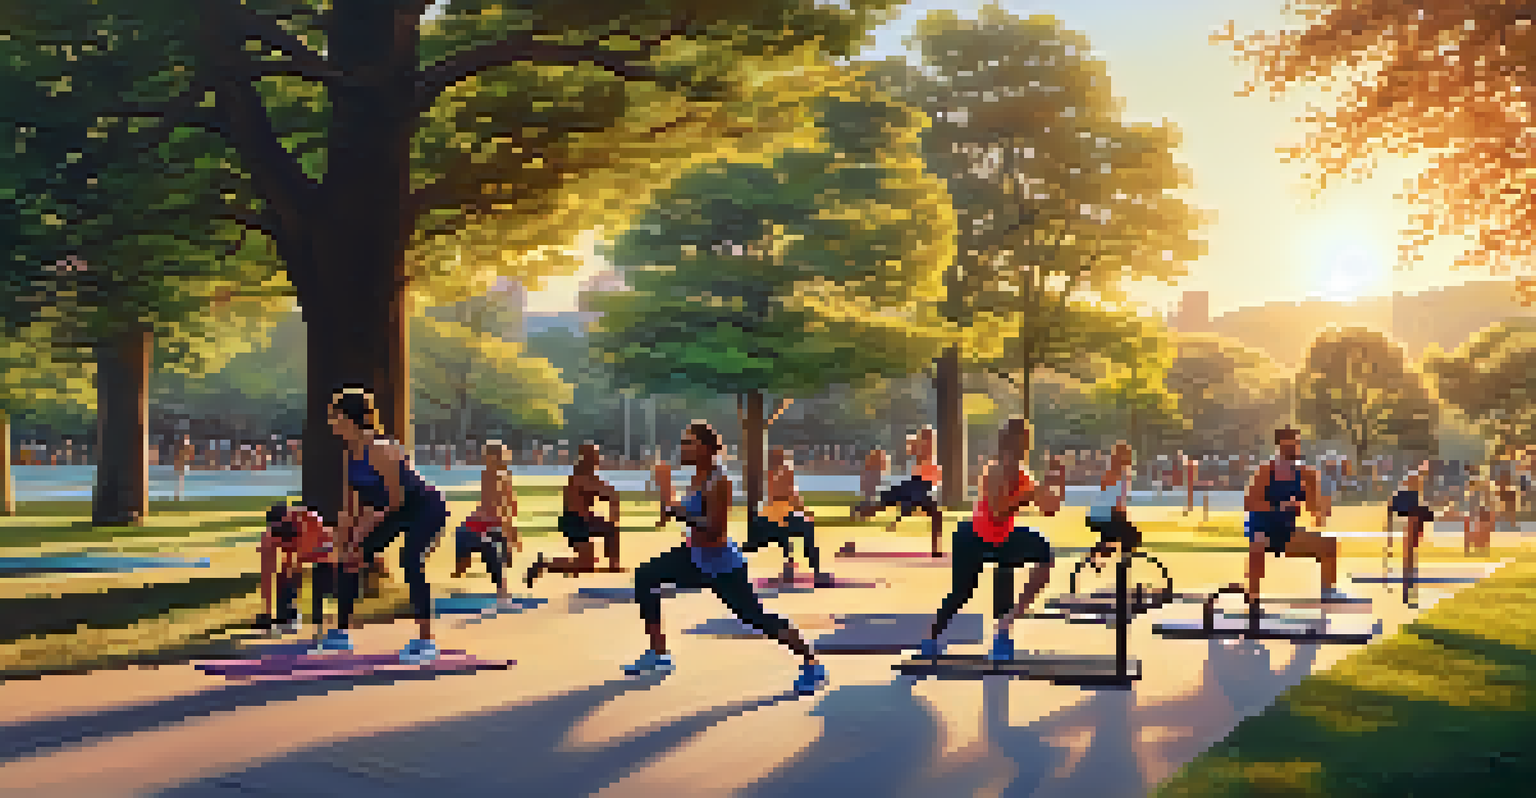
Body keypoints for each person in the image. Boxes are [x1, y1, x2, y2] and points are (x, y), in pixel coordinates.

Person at [623, 421, 827, 696]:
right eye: (683, 442)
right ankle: (659, 654)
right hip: (694, 556)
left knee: (755, 617)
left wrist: (679, 512)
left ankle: (812, 664)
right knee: (645, 575)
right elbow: (675, 511)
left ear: (706, 449)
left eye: (689, 443)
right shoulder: (697, 477)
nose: (682, 448)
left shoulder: (719, 482)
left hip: (720, 564)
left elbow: (715, 532)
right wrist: (666, 488)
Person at [318, 386, 450, 664]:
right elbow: (350, 507)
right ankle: (341, 633)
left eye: (335, 416)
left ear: (348, 417)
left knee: (411, 561)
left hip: (424, 508)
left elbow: (395, 501)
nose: (331, 422)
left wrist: (360, 535)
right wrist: (343, 544)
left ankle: (426, 641)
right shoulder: (349, 454)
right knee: (348, 560)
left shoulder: (382, 449)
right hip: (390, 512)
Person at [920, 418, 1065, 662]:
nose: (1026, 444)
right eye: (1024, 439)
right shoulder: (996, 468)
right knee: (962, 592)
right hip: (975, 537)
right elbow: (997, 511)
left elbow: (1049, 509)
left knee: (1038, 556)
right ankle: (931, 639)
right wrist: (1030, 493)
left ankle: (1004, 630)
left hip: (1001, 537)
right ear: (1014, 441)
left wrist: (1058, 483)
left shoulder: (1022, 474)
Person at [1243, 427, 1349, 602]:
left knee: (1329, 544)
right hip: (1262, 528)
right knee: (1258, 543)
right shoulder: (1266, 470)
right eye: (1290, 446)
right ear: (1280, 447)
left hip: (1286, 532)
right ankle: (1253, 599)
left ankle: (1328, 592)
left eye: (1297, 445)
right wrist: (1279, 506)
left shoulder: (1304, 474)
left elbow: (1314, 511)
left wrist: (1320, 503)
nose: (1295, 449)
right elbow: (1250, 503)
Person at [526, 443, 622, 585]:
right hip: (575, 522)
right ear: (590, 459)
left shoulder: (585, 476)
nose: (599, 460)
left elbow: (608, 493)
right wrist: (613, 510)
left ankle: (613, 564)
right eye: (596, 457)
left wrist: (613, 511)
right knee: (587, 562)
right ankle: (544, 564)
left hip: (579, 521)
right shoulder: (582, 477)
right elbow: (608, 492)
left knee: (588, 561)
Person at [852, 427, 945, 557]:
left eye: (930, 439)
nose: (930, 442)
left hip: (923, 488)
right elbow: (916, 454)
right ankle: (862, 510)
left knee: (936, 515)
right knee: (883, 503)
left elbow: (933, 479)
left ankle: (936, 550)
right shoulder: (921, 451)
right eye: (927, 438)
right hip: (915, 485)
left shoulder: (930, 455)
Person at [742, 447, 828, 586]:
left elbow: (778, 497)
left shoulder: (768, 475)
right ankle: (815, 570)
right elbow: (792, 496)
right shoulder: (785, 472)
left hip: (769, 519)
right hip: (781, 517)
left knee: (784, 529)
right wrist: (805, 512)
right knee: (806, 528)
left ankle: (788, 563)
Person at [257, 503, 342, 636]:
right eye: (279, 531)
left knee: (322, 586)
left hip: (324, 553)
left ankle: (326, 621)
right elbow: (267, 575)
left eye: (287, 526)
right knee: (283, 576)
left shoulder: (310, 520)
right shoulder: (269, 538)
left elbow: (309, 553)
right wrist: (266, 612)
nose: (283, 532)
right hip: (298, 554)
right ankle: (286, 617)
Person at [450, 442, 518, 601]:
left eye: (487, 455)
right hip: (487, 520)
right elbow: (503, 503)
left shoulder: (494, 474)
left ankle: (499, 585)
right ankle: (462, 567)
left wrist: (508, 528)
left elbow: (504, 504)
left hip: (490, 521)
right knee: (463, 534)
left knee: (484, 545)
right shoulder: (497, 474)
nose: (484, 458)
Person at [1086, 441, 1140, 566]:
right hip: (1106, 515)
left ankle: (1097, 554)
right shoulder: (1120, 473)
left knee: (1113, 542)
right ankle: (1123, 568)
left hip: (1099, 515)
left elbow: (1109, 495)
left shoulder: (1112, 472)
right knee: (1132, 536)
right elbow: (1118, 500)